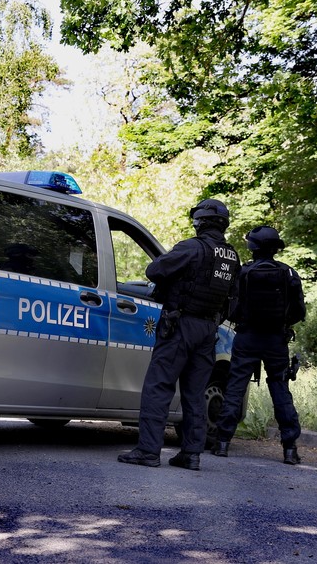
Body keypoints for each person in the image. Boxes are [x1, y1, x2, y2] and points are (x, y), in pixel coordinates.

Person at [118, 199, 241, 470]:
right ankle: (191, 453)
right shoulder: (232, 257)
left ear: (201, 222)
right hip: (209, 330)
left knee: (158, 386)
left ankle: (148, 451)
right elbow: (234, 300)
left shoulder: (192, 248)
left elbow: (155, 270)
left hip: (180, 325)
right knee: (195, 393)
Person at [212, 226, 306, 464]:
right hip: (276, 340)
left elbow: (230, 308)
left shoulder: (242, 273)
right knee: (281, 390)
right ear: (276, 248)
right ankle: (290, 450)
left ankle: (222, 443)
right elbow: (298, 311)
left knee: (234, 389)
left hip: (246, 338)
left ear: (252, 248)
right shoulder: (289, 274)